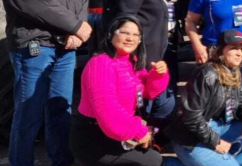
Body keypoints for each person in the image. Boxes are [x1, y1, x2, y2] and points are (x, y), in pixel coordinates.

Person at [0, 0, 90, 166]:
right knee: (29, 112)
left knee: (61, 109)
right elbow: (33, 1)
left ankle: (61, 161)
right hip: (33, 46)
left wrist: (77, 30)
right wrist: (75, 26)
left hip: (65, 47)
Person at [70, 16, 169, 165]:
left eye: (136, 35)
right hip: (95, 137)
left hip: (118, 130)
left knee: (164, 136)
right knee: (152, 160)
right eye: (125, 33)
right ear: (111, 35)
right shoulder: (101, 64)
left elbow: (149, 93)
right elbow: (108, 111)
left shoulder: (132, 62)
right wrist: (140, 131)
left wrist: (158, 75)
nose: (130, 38)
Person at [166, 30, 242, 166]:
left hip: (218, 126)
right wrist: (216, 141)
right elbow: (191, 116)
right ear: (221, 51)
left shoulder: (233, 70)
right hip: (192, 138)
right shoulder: (207, 73)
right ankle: (168, 163)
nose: (240, 53)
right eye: (234, 49)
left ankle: (235, 163)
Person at [115, 0, 178, 131]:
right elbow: (126, 15)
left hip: (164, 44)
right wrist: (133, 48)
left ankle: (155, 134)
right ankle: (141, 133)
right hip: (145, 50)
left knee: (164, 92)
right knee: (146, 94)